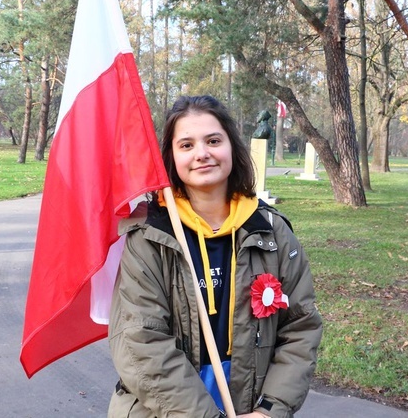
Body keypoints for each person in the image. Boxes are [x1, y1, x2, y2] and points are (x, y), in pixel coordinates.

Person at [108, 95, 323, 417]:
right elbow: (141, 341)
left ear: (232, 148)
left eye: (213, 140)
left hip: (249, 406)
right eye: (186, 145)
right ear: (171, 157)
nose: (202, 154)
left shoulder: (272, 231)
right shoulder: (149, 237)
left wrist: (269, 410)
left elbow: (300, 327)